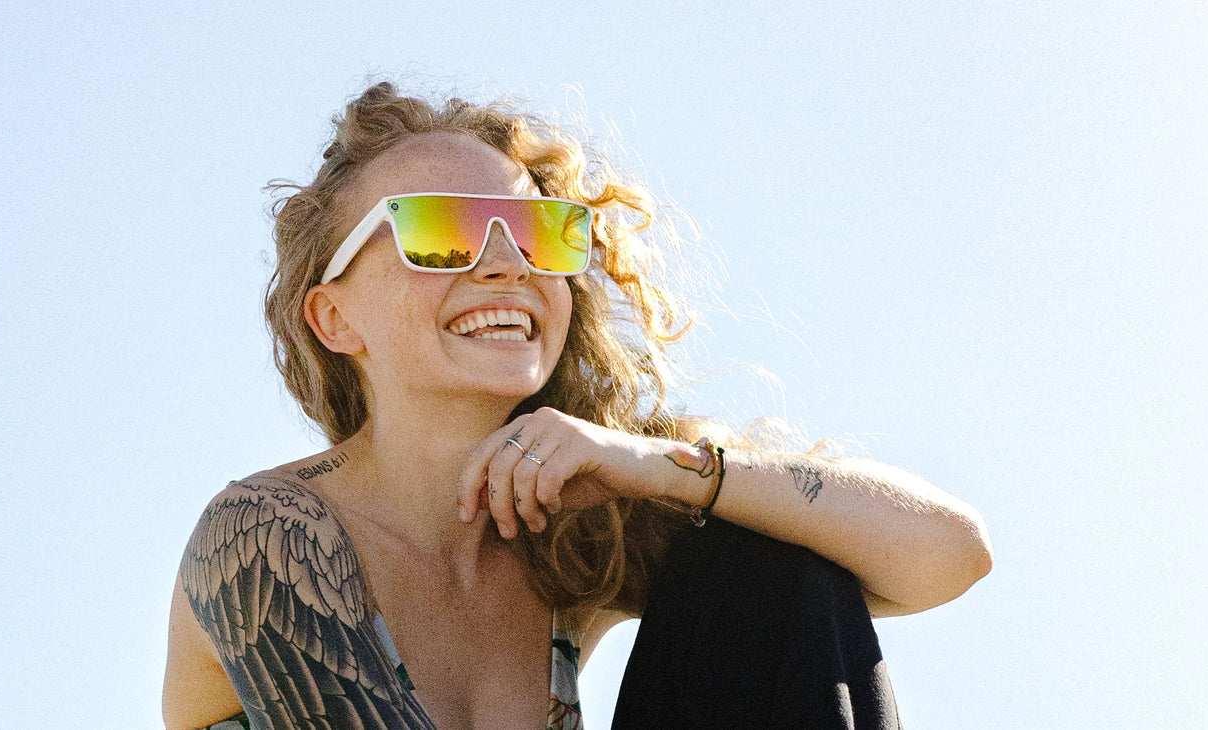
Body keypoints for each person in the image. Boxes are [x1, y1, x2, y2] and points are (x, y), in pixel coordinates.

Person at [161, 81, 994, 730]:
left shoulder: (573, 535)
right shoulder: (267, 531)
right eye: (442, 231)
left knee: (758, 559)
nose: (505, 265)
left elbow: (948, 552)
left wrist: (667, 472)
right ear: (333, 316)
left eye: (536, 234)